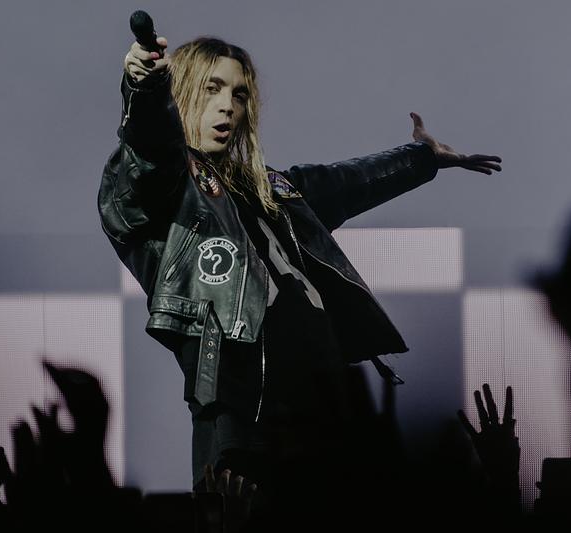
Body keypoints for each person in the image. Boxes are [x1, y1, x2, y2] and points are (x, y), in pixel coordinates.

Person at [98, 32, 502, 491]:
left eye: (239, 94)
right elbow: (148, 149)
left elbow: (347, 182)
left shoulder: (270, 191)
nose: (227, 106)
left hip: (328, 412)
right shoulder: (162, 190)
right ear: (180, 92)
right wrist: (145, 87)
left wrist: (423, 156)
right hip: (246, 418)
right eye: (212, 89)